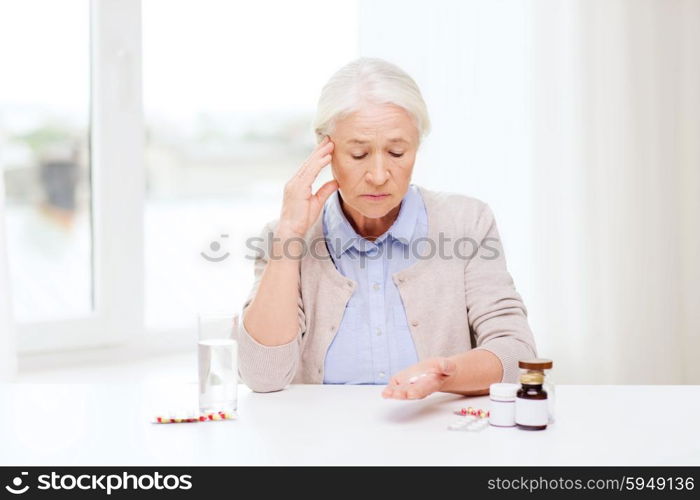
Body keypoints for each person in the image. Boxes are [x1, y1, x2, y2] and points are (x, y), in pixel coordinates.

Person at [238, 57, 537, 399]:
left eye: (397, 152)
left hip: (439, 436)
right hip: (321, 443)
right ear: (325, 149)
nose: (379, 175)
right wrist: (289, 237)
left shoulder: (467, 222)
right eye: (359, 154)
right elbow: (262, 376)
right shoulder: (284, 238)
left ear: (416, 147)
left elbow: (517, 353)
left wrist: (445, 375)